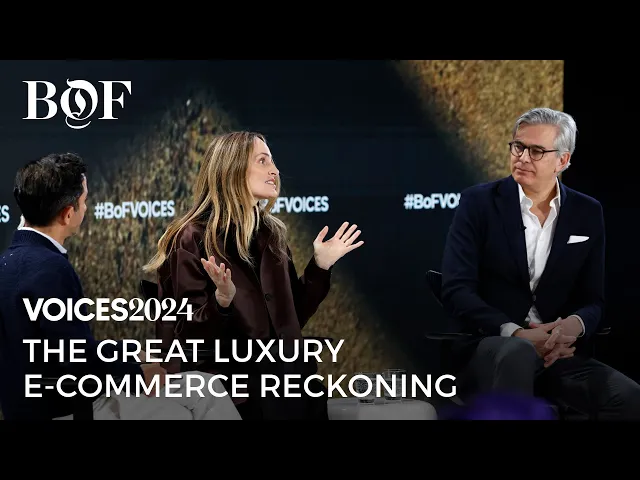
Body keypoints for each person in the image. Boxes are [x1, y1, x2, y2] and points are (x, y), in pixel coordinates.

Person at [0, 153, 240, 420]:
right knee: (188, 404)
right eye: (84, 202)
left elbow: (65, 348)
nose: (86, 208)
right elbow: (77, 362)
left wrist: (128, 351)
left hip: (35, 405)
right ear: (68, 214)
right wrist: (137, 373)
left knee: (202, 389)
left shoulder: (9, 262)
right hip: (67, 410)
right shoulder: (51, 268)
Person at [144, 131, 364, 420]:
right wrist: (222, 302)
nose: (275, 171)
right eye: (263, 161)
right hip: (235, 398)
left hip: (290, 388)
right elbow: (189, 337)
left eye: (272, 161)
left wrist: (319, 267)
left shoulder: (271, 235)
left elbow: (290, 319)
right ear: (232, 168)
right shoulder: (193, 237)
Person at [440, 107, 640, 420]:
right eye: (518, 147)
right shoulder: (478, 203)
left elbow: (593, 300)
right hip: (491, 345)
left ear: (562, 160)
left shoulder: (587, 212)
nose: (522, 157)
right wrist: (515, 333)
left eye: (536, 151)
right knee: (518, 353)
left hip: (557, 352)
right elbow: (456, 289)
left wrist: (573, 326)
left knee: (628, 397)